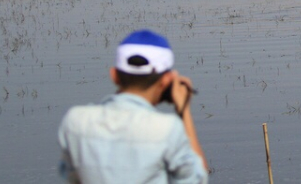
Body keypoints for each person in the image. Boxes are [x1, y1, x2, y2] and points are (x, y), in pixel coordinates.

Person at [58, 29, 209, 183]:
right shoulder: (167, 129)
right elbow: (196, 179)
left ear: (114, 75)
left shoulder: (75, 122)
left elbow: (70, 176)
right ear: (166, 81)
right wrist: (184, 110)